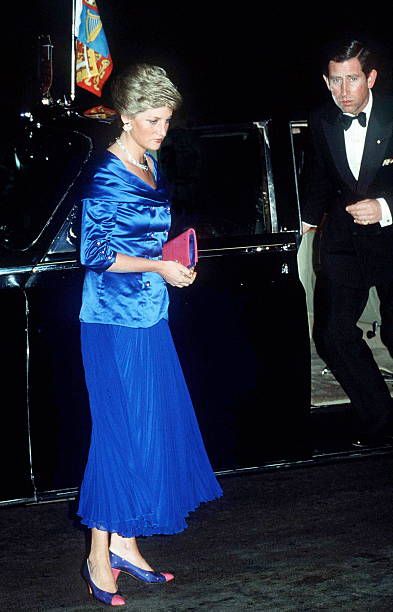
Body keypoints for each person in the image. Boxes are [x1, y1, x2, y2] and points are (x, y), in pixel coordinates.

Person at [77, 63, 223, 606]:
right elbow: (92, 254)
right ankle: (98, 556)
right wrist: (157, 267)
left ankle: (127, 546)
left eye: (167, 119)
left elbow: (141, 236)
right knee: (117, 436)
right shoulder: (105, 176)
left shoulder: (149, 160)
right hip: (112, 324)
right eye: (152, 119)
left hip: (148, 314)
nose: (162, 129)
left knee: (144, 431)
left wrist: (171, 260)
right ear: (124, 116)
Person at [301, 39, 393, 448]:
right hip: (343, 242)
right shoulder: (321, 120)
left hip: (392, 237)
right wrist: (299, 223)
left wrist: (385, 205)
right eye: (334, 82)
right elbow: (319, 179)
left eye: (351, 80)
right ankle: (382, 422)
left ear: (370, 78)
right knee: (333, 334)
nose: (343, 92)